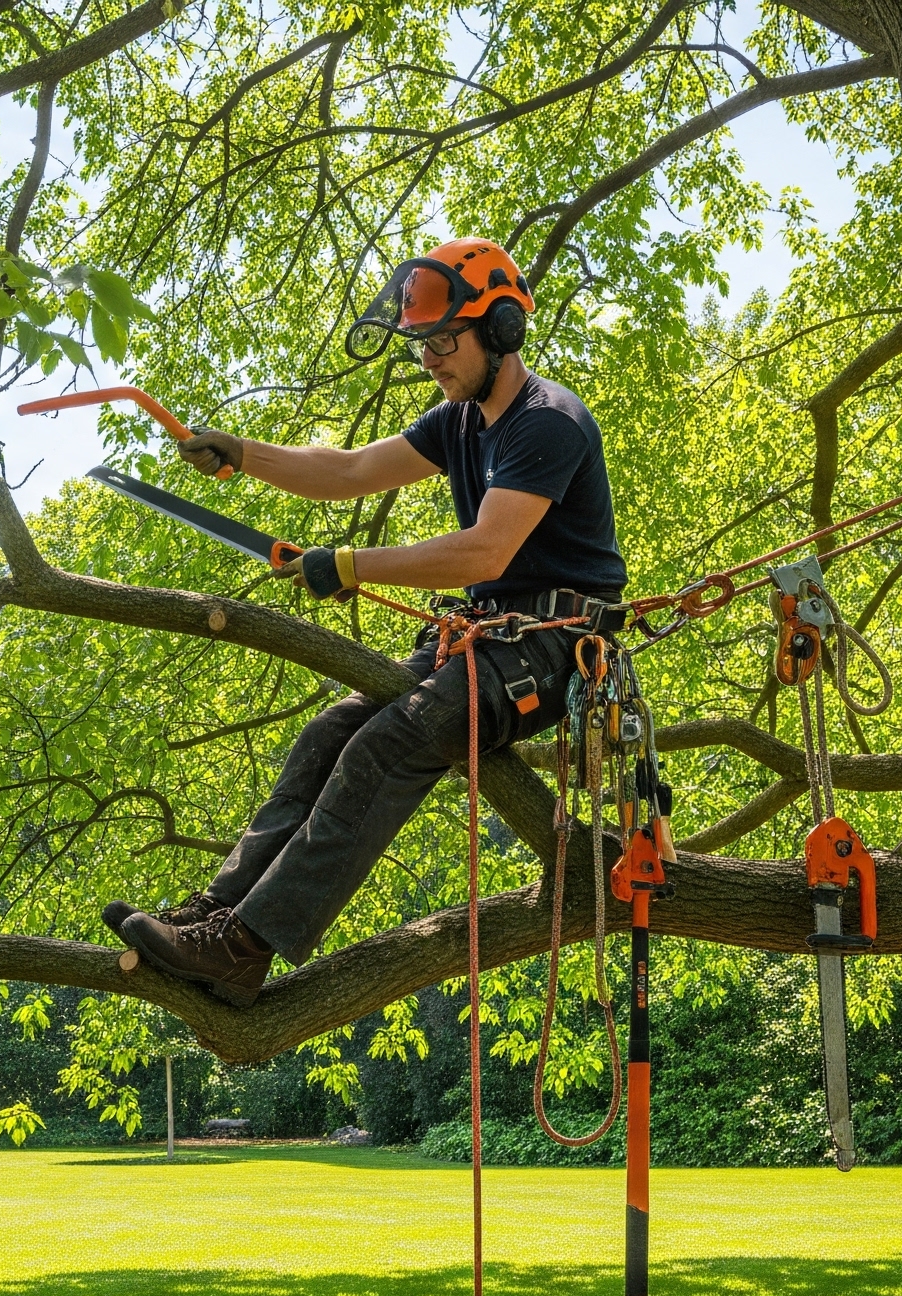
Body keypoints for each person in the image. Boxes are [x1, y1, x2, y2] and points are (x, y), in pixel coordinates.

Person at [105, 238, 627, 1007]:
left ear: (504, 329)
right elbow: (348, 471)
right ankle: (216, 917)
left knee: (389, 745)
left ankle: (244, 951)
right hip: (480, 645)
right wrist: (242, 454)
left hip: (549, 652)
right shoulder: (457, 420)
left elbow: (484, 548)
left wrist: (350, 565)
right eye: (422, 346)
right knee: (327, 737)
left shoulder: (546, 422)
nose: (431, 361)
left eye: (443, 342)